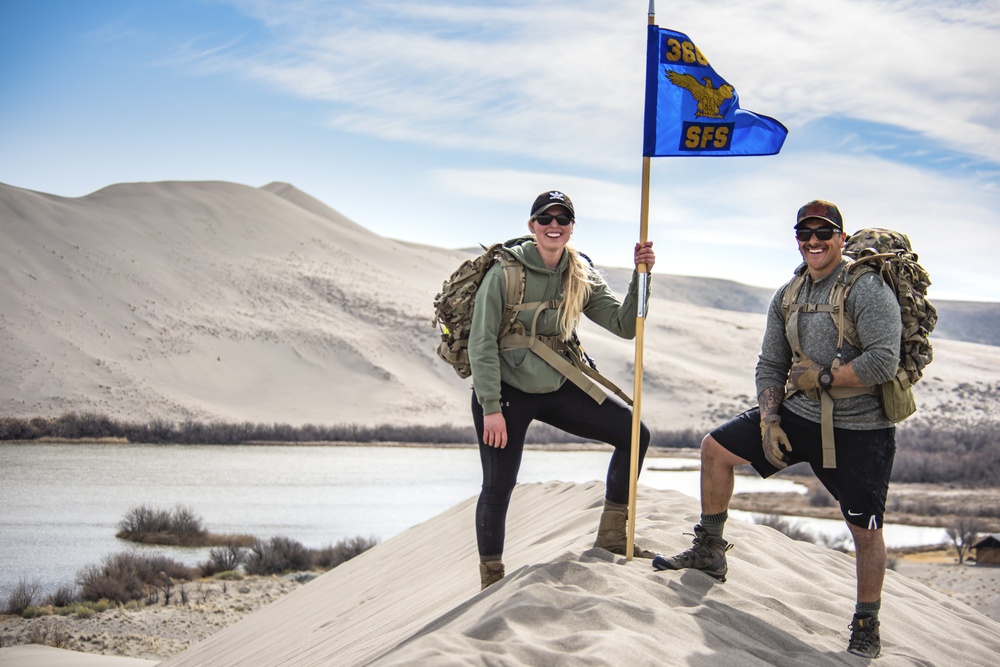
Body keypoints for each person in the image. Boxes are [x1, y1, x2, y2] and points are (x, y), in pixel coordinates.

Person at [652, 200, 901, 659]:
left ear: (841, 239)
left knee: (865, 529)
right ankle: (709, 549)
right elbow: (771, 364)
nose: (814, 241)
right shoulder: (788, 295)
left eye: (823, 233)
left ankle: (867, 622)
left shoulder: (866, 290)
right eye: (805, 233)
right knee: (715, 449)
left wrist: (823, 377)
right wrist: (768, 420)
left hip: (861, 429)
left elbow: (885, 360)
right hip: (799, 415)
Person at [470, 190, 657, 590]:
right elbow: (480, 342)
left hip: (556, 383)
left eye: (563, 219)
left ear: (572, 226)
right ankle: (491, 579)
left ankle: (611, 537)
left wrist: (641, 276)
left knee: (634, 433)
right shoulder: (505, 272)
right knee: (498, 485)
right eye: (545, 219)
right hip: (505, 392)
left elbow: (625, 325)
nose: (554, 226)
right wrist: (490, 407)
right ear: (532, 226)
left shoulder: (580, 272)